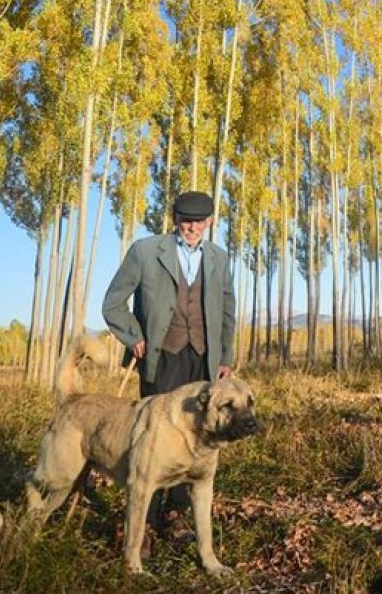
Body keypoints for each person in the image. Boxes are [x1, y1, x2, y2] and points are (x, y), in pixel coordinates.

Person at [102, 190, 236, 545]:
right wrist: (133, 337)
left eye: (199, 221)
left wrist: (224, 357)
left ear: (210, 222)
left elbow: (226, 311)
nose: (192, 227)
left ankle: (174, 514)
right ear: (175, 219)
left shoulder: (219, 258)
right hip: (161, 358)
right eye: (185, 220)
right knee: (153, 440)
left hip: (203, 361)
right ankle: (140, 524)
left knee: (195, 437)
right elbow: (113, 303)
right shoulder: (145, 251)